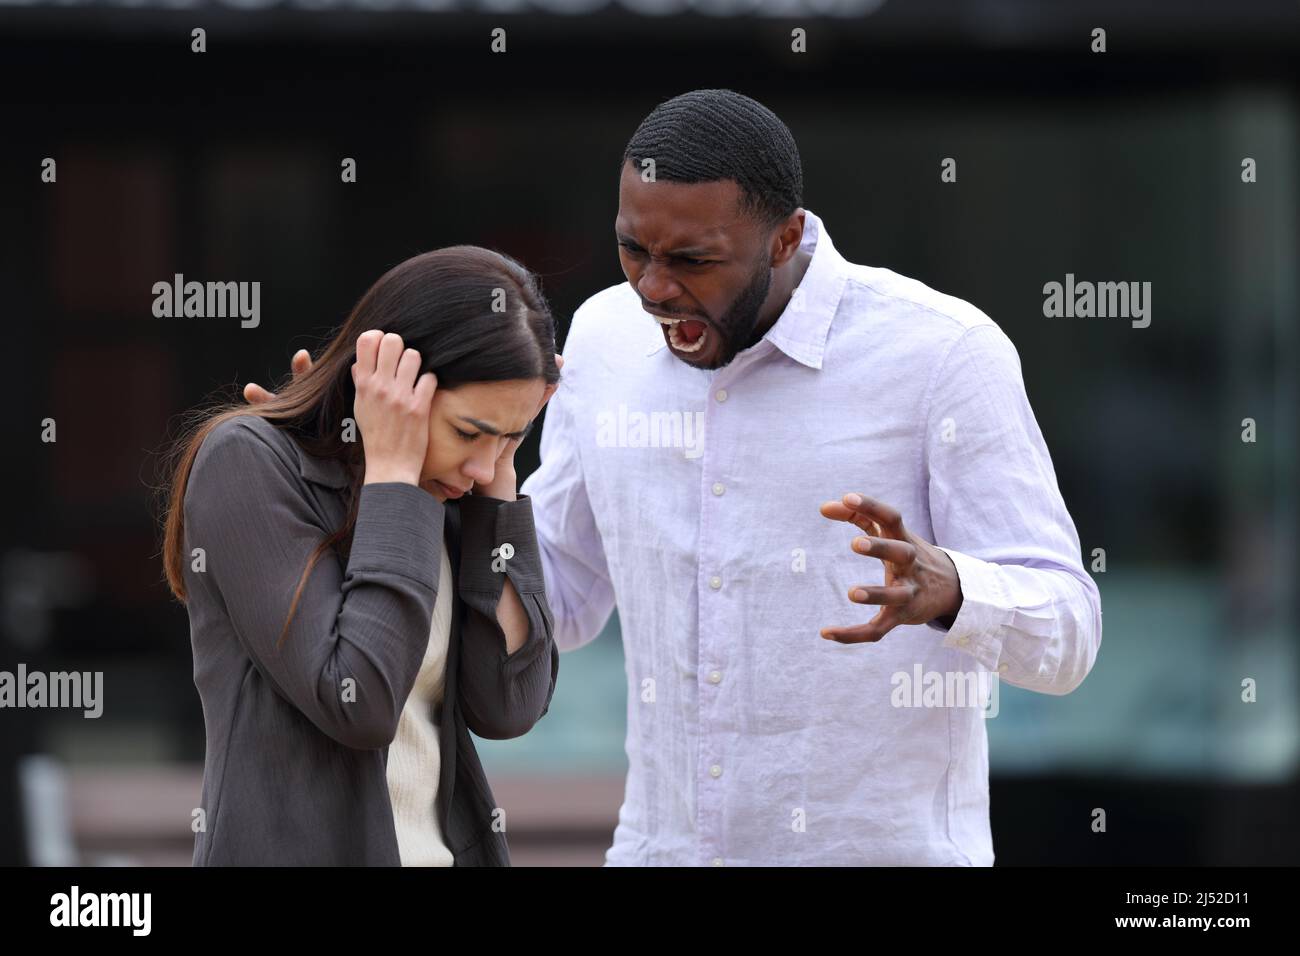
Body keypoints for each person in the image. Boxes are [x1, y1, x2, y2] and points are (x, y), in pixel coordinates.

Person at [250, 89, 1103, 866]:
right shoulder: (604, 340)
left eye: (693, 261)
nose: (654, 289)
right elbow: (559, 595)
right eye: (632, 249)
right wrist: (368, 472)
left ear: (786, 237)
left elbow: (1069, 633)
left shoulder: (944, 356)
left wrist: (954, 590)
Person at [160, 246, 562, 865]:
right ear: (395, 387)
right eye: (469, 432)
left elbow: (510, 704)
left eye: (512, 436)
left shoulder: (458, 492)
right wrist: (394, 476)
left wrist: (500, 498)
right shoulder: (246, 461)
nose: (483, 465)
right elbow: (359, 701)